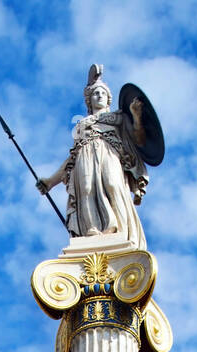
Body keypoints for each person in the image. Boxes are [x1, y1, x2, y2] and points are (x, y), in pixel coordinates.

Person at [36, 66, 148, 248]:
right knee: (86, 188)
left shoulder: (117, 118)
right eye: (95, 93)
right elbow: (71, 158)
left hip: (109, 151)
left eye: (103, 93)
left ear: (109, 98)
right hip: (85, 154)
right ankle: (92, 230)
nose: (99, 96)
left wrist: (136, 116)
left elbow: (139, 139)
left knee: (113, 184)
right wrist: (50, 181)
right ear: (89, 100)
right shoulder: (82, 124)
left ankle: (121, 230)